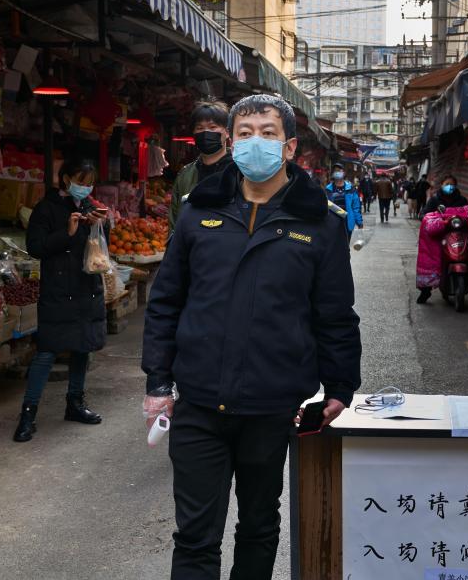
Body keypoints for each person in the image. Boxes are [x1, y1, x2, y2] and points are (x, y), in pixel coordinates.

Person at [142, 94, 362, 580]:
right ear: (230, 141)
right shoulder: (199, 213)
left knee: (259, 525)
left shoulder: (320, 223)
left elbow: (335, 315)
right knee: (195, 535)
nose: (254, 142)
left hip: (272, 406)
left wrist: (340, 386)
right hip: (199, 402)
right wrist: (158, 380)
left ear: (288, 147)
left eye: (267, 132)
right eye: (244, 133)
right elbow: (165, 302)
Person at [14, 159, 108, 442]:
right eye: (81, 180)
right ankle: (28, 414)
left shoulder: (91, 207)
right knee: (47, 351)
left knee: (82, 347)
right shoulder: (46, 208)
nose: (86, 187)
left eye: (90, 182)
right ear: (66, 178)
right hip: (57, 290)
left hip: (86, 287)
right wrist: (66, 233)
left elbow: (102, 251)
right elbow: (36, 248)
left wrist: (99, 227)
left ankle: (75, 403)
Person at [417, 175, 468, 305]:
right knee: (430, 259)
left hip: (460, 234)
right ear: (442, 185)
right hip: (440, 236)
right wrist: (429, 218)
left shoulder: (461, 200)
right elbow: (424, 214)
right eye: (447, 184)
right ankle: (425, 291)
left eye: (452, 184)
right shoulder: (434, 200)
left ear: (456, 186)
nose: (450, 186)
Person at [169, 101, 234, 229]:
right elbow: (174, 220)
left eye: (213, 127)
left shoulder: (238, 171)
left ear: (227, 132)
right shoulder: (185, 174)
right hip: (191, 245)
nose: (206, 132)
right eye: (200, 128)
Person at [326, 164, 364, 241]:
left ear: (344, 173)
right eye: (335, 171)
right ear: (333, 174)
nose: (338, 172)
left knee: (346, 247)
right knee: (334, 247)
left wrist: (359, 222)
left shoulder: (351, 189)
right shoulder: (328, 189)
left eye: (339, 171)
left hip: (347, 223)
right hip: (332, 224)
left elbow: (356, 207)